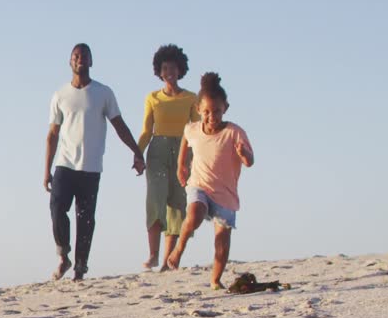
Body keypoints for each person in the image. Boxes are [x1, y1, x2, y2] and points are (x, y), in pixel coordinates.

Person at [44, 43, 146, 281]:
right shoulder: (60, 95)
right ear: (70, 62)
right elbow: (52, 134)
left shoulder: (103, 93)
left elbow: (119, 125)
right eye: (76, 56)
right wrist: (46, 169)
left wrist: (137, 152)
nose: (80, 59)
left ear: (91, 61)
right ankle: (64, 254)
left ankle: (80, 267)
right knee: (57, 207)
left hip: (91, 167)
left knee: (86, 217)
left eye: (85, 56)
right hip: (64, 164)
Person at [166, 72, 255, 289]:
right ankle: (179, 249)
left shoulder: (234, 132)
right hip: (200, 185)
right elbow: (186, 139)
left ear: (225, 108)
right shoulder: (194, 128)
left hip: (225, 194)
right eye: (206, 112)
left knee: (221, 242)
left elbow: (250, 161)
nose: (211, 116)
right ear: (198, 110)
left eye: (216, 111)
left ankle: (215, 279)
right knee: (194, 213)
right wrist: (181, 165)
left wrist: (243, 154)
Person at [137, 44, 199, 271]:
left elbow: (197, 129)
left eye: (173, 67)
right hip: (158, 150)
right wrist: (137, 154)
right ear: (159, 72)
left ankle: (168, 260)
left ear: (180, 69)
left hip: (184, 151)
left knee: (177, 205)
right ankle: (153, 255)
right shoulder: (153, 98)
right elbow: (146, 130)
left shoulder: (192, 98)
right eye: (165, 68)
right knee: (155, 200)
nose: (169, 72)